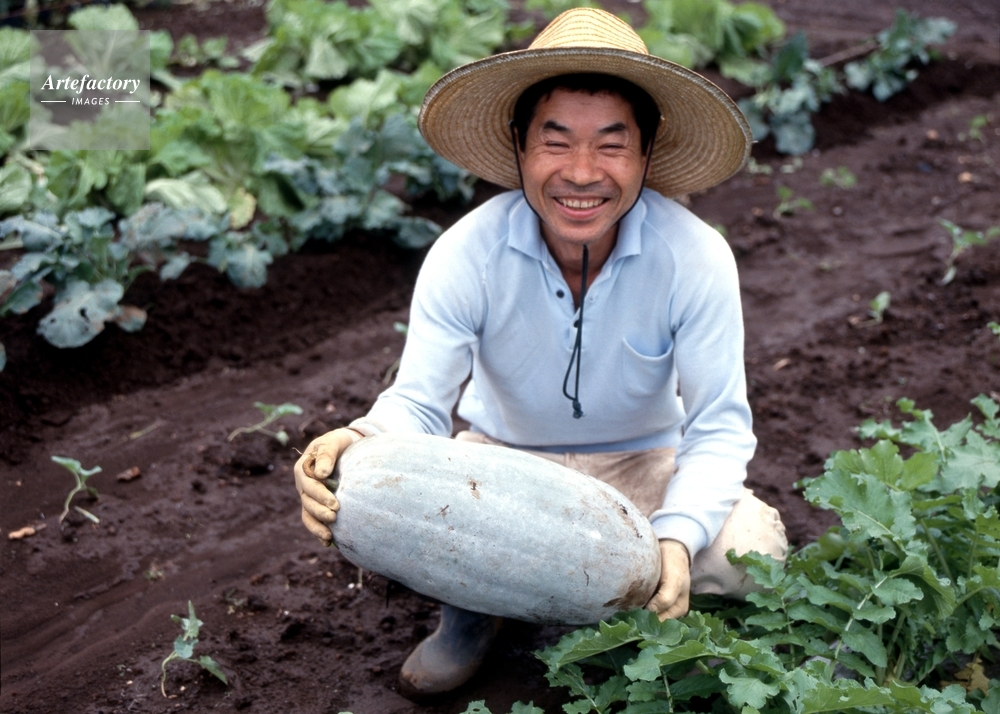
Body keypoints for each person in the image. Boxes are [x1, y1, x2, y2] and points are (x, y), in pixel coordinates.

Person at [293, 7, 788, 699]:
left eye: (612, 145)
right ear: (519, 146)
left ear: (647, 153)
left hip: (642, 466)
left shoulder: (695, 255)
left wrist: (676, 537)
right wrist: (356, 438)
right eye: (555, 141)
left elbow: (718, 429)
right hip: (501, 469)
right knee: (378, 497)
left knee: (748, 552)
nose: (582, 173)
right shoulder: (466, 251)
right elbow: (419, 403)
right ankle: (474, 611)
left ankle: (643, 600)